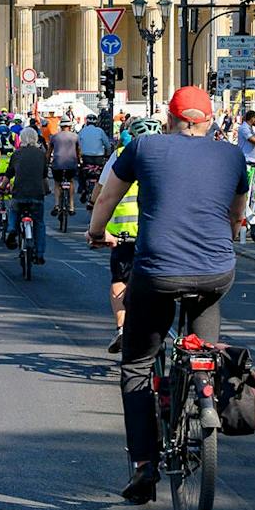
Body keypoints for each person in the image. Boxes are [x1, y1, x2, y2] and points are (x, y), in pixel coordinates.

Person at [88, 85, 248, 504]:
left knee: (138, 365)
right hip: (216, 272)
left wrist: (95, 231)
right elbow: (238, 208)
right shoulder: (231, 154)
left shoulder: (143, 147)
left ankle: (144, 464)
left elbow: (109, 194)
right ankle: (206, 388)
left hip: (158, 272)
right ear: (210, 121)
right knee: (205, 347)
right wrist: (232, 229)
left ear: (170, 119)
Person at [97, 115, 153, 353]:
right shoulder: (171, 157)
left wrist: (96, 231)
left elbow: (101, 197)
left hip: (124, 233)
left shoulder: (120, 156)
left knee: (120, 281)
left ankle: (121, 328)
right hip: (159, 235)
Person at [5, 126, 50, 262]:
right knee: (39, 224)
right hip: (37, 194)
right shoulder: (41, 154)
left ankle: (12, 229)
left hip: (19, 193)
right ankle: (40, 254)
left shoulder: (17, 154)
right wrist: (46, 190)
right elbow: (44, 176)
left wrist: (2, 186)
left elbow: (9, 174)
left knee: (13, 210)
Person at [48, 118, 81, 214]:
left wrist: (47, 162)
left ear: (61, 126)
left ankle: (57, 205)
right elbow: (78, 150)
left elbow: (49, 151)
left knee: (57, 183)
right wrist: (79, 161)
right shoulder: (75, 136)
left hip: (58, 164)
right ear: (70, 126)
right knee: (70, 182)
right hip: (71, 164)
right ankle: (71, 205)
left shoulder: (54, 137)